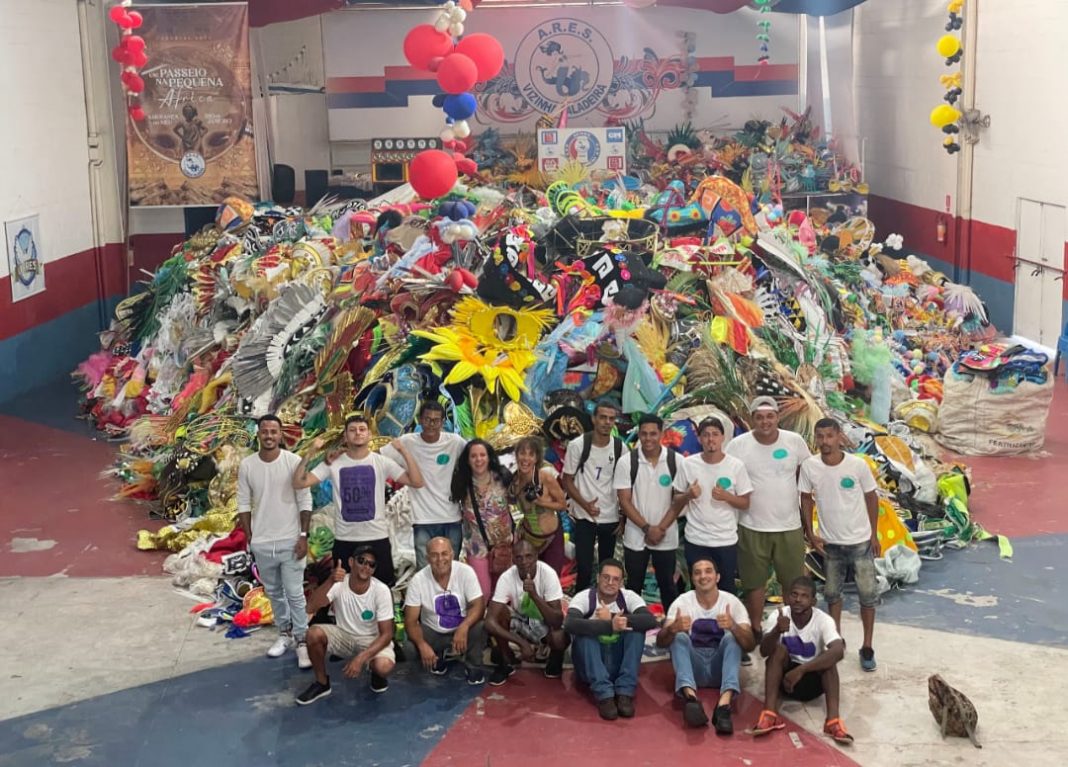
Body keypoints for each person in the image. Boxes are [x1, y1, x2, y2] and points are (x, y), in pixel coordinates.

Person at [293, 414, 424, 586]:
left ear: (369, 434)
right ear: (346, 436)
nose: (358, 433)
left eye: (362, 429)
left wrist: (403, 451)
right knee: (344, 591)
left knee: (384, 589)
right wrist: (311, 451)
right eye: (352, 430)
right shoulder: (333, 463)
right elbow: (299, 482)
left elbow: (416, 482)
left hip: (377, 537)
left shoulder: (382, 462)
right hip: (345, 539)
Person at [726, 396, 812, 646]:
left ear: (777, 417)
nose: (765, 421)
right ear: (753, 419)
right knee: (754, 584)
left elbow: (805, 475)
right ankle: (755, 629)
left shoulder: (794, 442)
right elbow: (727, 473)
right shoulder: (739, 445)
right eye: (759, 417)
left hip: (789, 526)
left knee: (791, 583)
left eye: (770, 416)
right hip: (752, 525)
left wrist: (808, 524)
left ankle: (789, 629)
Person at [799, 417, 880, 671]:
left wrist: (874, 534)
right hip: (830, 544)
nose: (825, 442)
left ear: (839, 436)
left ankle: (867, 647)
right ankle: (836, 641)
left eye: (830, 436)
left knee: (868, 596)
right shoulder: (810, 467)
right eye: (820, 436)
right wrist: (811, 533)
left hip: (860, 543)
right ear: (816, 438)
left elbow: (871, 498)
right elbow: (805, 498)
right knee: (833, 594)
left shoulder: (857, 466)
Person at [237, 414, 314, 668]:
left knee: (295, 594)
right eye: (265, 431)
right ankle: (285, 634)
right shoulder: (247, 465)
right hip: (262, 543)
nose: (269, 436)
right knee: (274, 594)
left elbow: (305, 501)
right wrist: (250, 537)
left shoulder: (293, 463)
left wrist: (303, 535)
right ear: (258, 434)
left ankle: (303, 641)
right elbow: (243, 503)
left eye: (274, 431)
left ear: (281, 435)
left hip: (290, 541)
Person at [750, 576, 853, 744]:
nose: (798, 599)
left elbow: (838, 650)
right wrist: (776, 630)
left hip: (812, 681)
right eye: (794, 594)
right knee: (778, 650)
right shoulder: (779, 615)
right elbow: (763, 652)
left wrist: (801, 670)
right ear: (787, 597)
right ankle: (769, 714)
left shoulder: (823, 620)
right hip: (785, 681)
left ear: (813, 601)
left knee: (829, 660)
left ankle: (833, 721)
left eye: (804, 596)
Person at [656, 558, 754, 733]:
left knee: (733, 638)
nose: (703, 576)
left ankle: (723, 706)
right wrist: (673, 629)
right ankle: (691, 700)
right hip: (694, 670)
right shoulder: (682, 602)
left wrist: (733, 626)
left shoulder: (732, 602)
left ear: (717, 577)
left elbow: (750, 645)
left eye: (708, 571)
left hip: (720, 669)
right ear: (692, 579)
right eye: (697, 572)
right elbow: (661, 642)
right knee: (678, 637)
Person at [295, 546, 396, 705]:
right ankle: (322, 683)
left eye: (371, 564)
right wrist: (330, 580)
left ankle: (376, 673)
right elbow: (310, 607)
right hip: (344, 636)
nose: (366, 566)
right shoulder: (338, 583)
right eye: (361, 561)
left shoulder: (381, 590)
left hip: (372, 639)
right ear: (351, 562)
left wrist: (361, 659)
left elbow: (387, 634)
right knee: (313, 634)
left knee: (383, 666)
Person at [564, 558, 658, 720]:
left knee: (636, 631)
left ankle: (624, 692)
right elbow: (570, 624)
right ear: (598, 577)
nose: (610, 582)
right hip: (589, 668)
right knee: (585, 634)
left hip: (617, 663)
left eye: (615, 579)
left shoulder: (629, 596)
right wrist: (609, 626)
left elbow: (650, 621)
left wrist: (613, 617)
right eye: (606, 577)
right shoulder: (584, 597)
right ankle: (604, 695)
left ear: (622, 582)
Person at [381, 401, 467, 569]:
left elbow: (475, 457)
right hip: (422, 520)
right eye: (427, 419)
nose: (431, 424)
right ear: (420, 420)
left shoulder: (455, 442)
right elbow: (380, 458)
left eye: (436, 420)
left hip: (451, 518)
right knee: (425, 571)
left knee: (452, 570)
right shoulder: (407, 442)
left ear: (443, 422)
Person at [615, 414, 685, 609]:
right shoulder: (627, 462)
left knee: (668, 586)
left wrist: (660, 528)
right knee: (633, 586)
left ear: (661, 434)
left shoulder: (676, 461)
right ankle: (632, 626)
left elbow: (678, 501)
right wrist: (647, 528)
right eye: (644, 434)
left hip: (666, 535)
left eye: (653, 434)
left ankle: (672, 628)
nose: (648, 439)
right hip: (636, 535)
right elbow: (624, 500)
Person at [676, 417, 753, 593]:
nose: (711, 439)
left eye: (715, 434)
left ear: (722, 437)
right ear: (699, 438)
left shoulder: (735, 466)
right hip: (696, 539)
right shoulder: (688, 465)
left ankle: (725, 621)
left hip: (725, 540)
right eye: (706, 435)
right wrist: (688, 495)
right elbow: (675, 500)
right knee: (699, 589)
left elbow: (745, 503)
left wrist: (727, 496)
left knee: (726, 589)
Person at [403, 537, 487, 685]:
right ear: (427, 558)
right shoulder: (418, 580)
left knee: (480, 625)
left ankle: (473, 666)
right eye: (434, 555)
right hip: (433, 631)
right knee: (410, 646)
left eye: (444, 553)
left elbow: (479, 605)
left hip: (462, 632)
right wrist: (422, 645)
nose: (440, 559)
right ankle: (436, 657)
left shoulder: (466, 572)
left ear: (452, 555)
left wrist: (464, 626)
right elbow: (410, 621)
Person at [485, 539, 569, 685]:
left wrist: (534, 595)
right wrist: (522, 643)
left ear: (536, 556)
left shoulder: (548, 574)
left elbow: (557, 621)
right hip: (520, 620)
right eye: (519, 557)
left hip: (543, 623)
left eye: (529, 556)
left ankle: (555, 658)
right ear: (513, 559)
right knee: (499, 615)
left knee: (559, 636)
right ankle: (506, 662)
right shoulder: (506, 577)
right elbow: (490, 622)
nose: (524, 561)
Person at [561, 401, 624, 591]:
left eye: (611, 418)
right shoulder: (578, 445)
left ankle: (604, 609)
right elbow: (567, 480)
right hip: (584, 517)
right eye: (603, 417)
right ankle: (580, 609)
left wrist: (623, 517)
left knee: (607, 570)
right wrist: (585, 504)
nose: (606, 422)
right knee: (585, 568)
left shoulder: (620, 448)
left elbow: (625, 486)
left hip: (610, 517)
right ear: (594, 419)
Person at [451, 439, 515, 598]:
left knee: (504, 594)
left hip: (503, 545)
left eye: (482, 455)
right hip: (476, 546)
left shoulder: (502, 477)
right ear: (467, 459)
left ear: (489, 457)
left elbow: (518, 499)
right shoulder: (462, 482)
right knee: (483, 593)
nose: (478, 459)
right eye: (473, 456)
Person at [509, 436, 569, 575]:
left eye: (531, 454)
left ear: (536, 458)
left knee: (551, 581)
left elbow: (563, 505)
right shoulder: (514, 480)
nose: (526, 458)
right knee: (527, 580)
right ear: (516, 455)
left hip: (551, 539)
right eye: (522, 453)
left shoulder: (545, 477)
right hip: (528, 538)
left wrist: (542, 502)